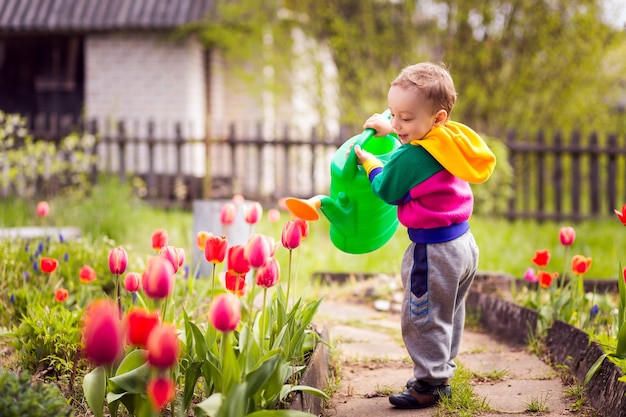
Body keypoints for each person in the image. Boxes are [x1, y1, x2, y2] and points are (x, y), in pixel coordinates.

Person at [354, 62, 496, 409]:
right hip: (463, 245)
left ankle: (429, 385)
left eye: (406, 118)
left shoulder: (414, 154)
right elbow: (417, 139)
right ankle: (440, 371)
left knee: (423, 316)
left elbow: (388, 187)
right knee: (449, 311)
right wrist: (392, 128)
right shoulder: (448, 138)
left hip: (433, 250)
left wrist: (371, 162)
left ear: (437, 118)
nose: (399, 125)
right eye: (395, 115)